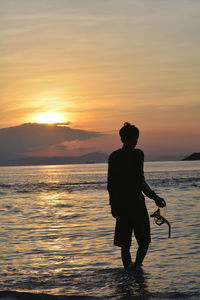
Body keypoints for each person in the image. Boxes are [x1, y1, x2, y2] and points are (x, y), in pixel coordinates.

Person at [107, 122, 166, 271]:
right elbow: (140, 181)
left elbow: (111, 185)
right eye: (136, 137)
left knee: (124, 244)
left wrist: (113, 206)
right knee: (144, 241)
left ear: (121, 138)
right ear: (134, 138)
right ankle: (137, 268)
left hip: (121, 205)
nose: (137, 140)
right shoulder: (137, 154)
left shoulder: (114, 156)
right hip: (136, 203)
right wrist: (155, 198)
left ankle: (129, 272)